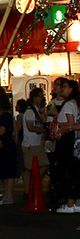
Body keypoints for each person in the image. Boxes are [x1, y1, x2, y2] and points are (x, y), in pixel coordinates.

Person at [53, 79, 80, 213]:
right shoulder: (74, 103)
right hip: (72, 140)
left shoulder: (70, 104)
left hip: (69, 140)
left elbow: (71, 123)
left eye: (65, 87)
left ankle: (69, 202)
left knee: (70, 171)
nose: (62, 89)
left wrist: (63, 128)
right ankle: (75, 202)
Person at [21, 88, 49, 199]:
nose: (42, 98)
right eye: (40, 96)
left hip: (35, 143)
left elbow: (43, 121)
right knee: (29, 168)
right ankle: (28, 190)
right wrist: (44, 131)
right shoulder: (30, 111)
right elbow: (30, 127)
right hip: (30, 144)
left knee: (40, 165)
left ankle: (33, 186)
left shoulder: (36, 110)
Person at [0, 94, 18, 205]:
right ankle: (8, 195)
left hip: (5, 145)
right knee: (9, 172)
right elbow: (16, 130)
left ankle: (8, 195)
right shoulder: (9, 115)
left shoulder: (4, 116)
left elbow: (2, 131)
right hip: (9, 144)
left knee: (7, 171)